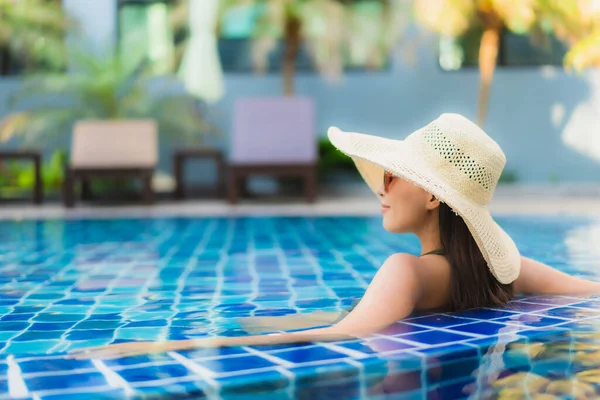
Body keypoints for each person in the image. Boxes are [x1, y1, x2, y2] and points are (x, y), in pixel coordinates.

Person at [71, 113, 600, 360]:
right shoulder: (497, 269)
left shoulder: (405, 271)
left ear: (436, 196)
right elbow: (584, 289)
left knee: (276, 322)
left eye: (396, 174)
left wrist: (165, 345)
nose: (383, 186)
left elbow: (339, 339)